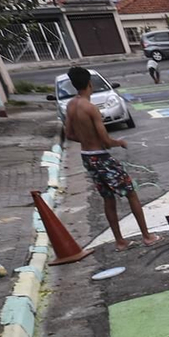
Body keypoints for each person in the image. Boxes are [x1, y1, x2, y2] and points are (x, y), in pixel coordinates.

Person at [63, 65, 158, 250]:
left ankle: (120, 241)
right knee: (131, 192)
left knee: (108, 198)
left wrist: (86, 139)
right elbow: (106, 141)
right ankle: (147, 236)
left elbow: (69, 134)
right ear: (89, 84)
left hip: (87, 157)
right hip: (101, 157)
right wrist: (119, 142)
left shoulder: (71, 105)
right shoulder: (90, 108)